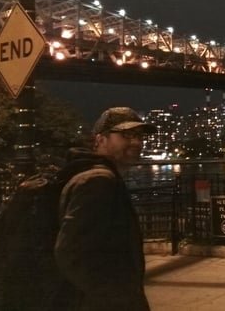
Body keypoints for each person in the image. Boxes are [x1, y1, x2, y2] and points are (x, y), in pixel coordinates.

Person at [53, 107, 157, 310]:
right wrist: (118, 298)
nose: (137, 142)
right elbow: (69, 251)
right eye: (126, 135)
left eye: (139, 136)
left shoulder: (95, 175)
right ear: (100, 140)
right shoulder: (99, 181)